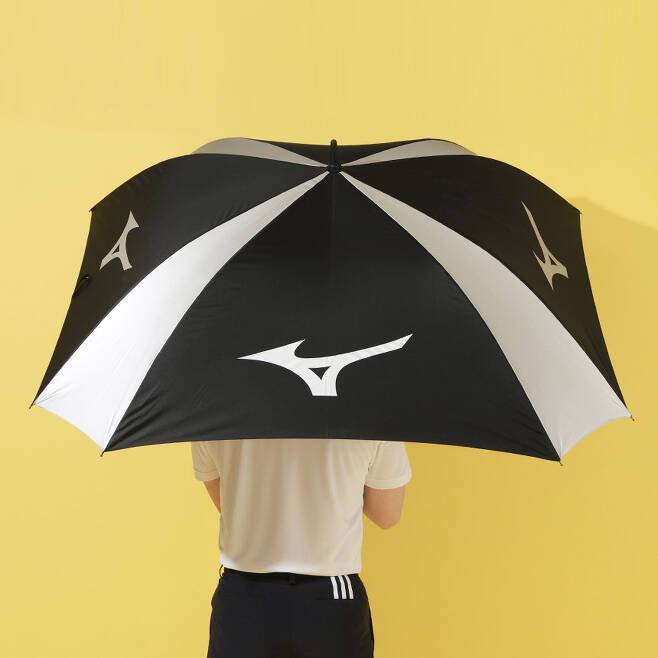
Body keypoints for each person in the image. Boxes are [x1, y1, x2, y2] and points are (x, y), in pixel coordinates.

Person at [191, 437, 412, 658]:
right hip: (332, 594)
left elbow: (228, 503)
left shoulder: (209, 417)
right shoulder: (372, 419)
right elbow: (387, 514)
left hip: (243, 593)